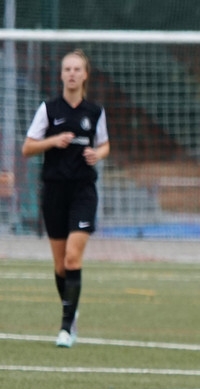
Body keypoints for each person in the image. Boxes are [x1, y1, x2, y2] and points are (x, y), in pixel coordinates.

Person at [22, 49, 110, 348]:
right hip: (54, 192)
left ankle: (65, 327)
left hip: (83, 191)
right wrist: (53, 141)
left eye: (77, 69)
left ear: (85, 75)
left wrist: (97, 154)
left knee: (73, 256)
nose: (71, 73)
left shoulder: (95, 111)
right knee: (61, 265)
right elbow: (27, 147)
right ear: (61, 75)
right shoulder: (48, 109)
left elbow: (105, 144)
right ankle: (71, 311)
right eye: (67, 69)